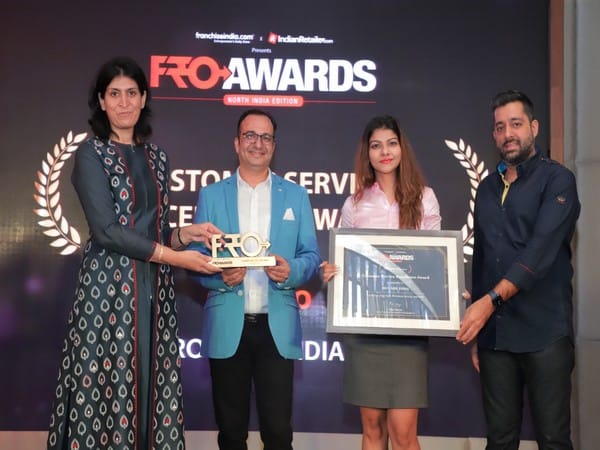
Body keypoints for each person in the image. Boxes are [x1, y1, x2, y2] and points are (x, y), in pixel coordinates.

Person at [46, 56, 223, 450]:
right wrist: (176, 258)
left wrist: (186, 234)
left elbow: (154, 233)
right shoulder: (90, 154)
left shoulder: (157, 157)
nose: (123, 102)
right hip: (107, 289)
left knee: (152, 385)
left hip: (155, 290)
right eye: (114, 94)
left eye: (131, 93)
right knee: (104, 388)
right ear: (101, 101)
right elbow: (108, 231)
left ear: (144, 99)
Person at [189, 108, 321, 450]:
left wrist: (291, 271)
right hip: (227, 323)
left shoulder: (296, 195)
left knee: (278, 432)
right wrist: (221, 276)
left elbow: (311, 257)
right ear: (237, 143)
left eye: (265, 137)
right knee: (231, 433)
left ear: (274, 146)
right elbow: (195, 260)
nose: (257, 143)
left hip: (276, 327)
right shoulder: (211, 195)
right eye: (250, 135)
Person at [456, 90, 580, 449]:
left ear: (534, 127)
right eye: (500, 127)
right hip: (496, 338)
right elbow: (482, 260)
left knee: (553, 439)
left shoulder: (558, 180)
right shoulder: (486, 188)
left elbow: (538, 254)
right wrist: (479, 331)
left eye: (516, 124)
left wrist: (487, 304)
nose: (508, 133)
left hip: (545, 334)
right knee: (499, 440)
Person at [322, 115, 441, 450]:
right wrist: (332, 273)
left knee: (403, 433)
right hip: (366, 331)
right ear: (367, 153)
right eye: (376, 146)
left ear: (402, 148)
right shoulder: (354, 204)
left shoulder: (425, 198)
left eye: (391, 143)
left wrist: (446, 284)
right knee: (373, 429)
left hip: (408, 331)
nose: (385, 152)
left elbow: (436, 260)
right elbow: (345, 263)